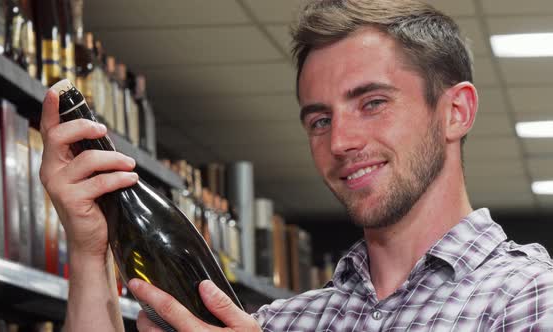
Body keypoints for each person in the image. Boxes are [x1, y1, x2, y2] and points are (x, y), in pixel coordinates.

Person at [39, 0, 553, 330]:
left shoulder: (528, 297)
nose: (342, 141)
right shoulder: (283, 322)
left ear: (455, 112)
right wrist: (89, 254)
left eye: (373, 102)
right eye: (319, 120)